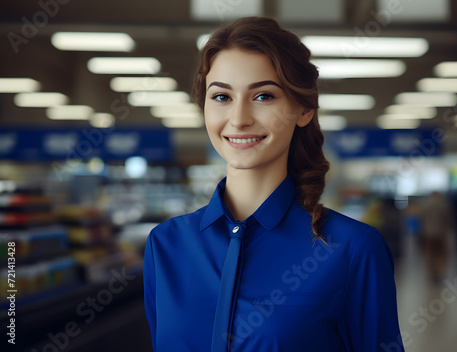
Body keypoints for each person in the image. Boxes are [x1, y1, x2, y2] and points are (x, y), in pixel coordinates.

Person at [143, 17, 404, 352]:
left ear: (304, 109)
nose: (238, 119)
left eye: (263, 96)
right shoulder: (165, 246)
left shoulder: (353, 250)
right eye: (221, 96)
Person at [419, 191, 454, 283]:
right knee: (441, 254)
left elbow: (421, 219)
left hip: (428, 233)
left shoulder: (426, 204)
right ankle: (440, 272)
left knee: (430, 254)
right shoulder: (443, 205)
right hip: (440, 233)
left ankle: (432, 273)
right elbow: (448, 219)